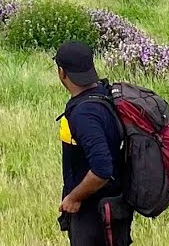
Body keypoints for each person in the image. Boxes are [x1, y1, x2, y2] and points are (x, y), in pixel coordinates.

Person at [54, 41, 134, 246]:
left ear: (62, 73)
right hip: (114, 204)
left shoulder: (85, 113)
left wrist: (74, 198)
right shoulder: (103, 93)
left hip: (94, 213)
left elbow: (102, 169)